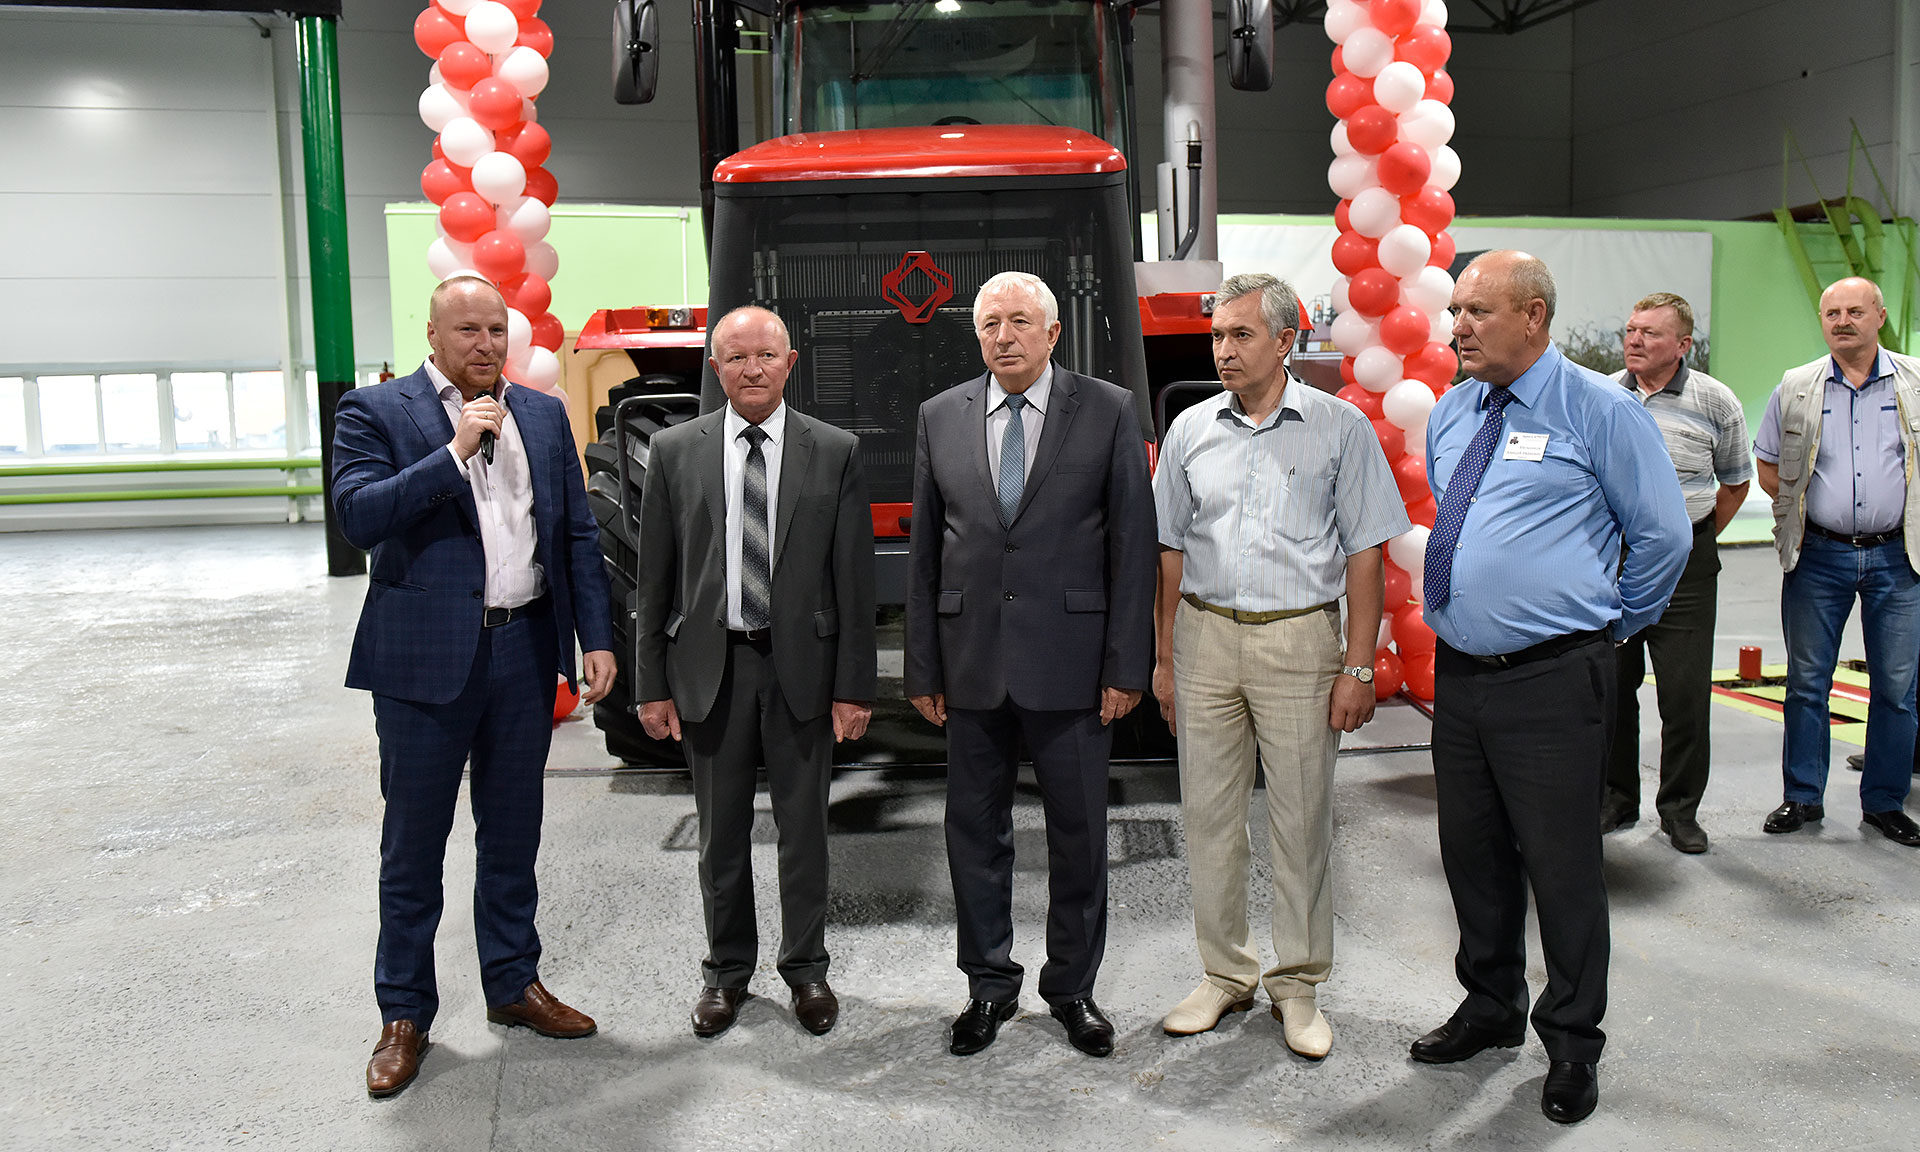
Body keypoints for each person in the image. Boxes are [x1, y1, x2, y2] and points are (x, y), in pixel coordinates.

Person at [1414, 252, 1690, 1125]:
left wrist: (1610, 625)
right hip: (1460, 675)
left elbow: (1664, 537)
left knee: (1562, 867)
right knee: (1473, 854)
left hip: (1553, 676)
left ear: (1534, 315)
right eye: (1455, 311)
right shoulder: (1456, 410)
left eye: (1478, 311)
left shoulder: (1600, 409)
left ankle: (1571, 1040)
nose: (1459, 326)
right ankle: (1490, 1005)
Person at [332, 275, 617, 1099]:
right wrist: (453, 453)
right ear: (433, 335)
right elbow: (359, 517)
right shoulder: (375, 412)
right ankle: (404, 1015)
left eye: (496, 329)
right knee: (413, 847)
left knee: (513, 834)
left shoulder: (542, 414)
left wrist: (595, 637)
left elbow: (574, 533)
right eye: (468, 331)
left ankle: (513, 982)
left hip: (523, 652)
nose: (486, 344)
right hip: (423, 663)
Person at [1150, 273, 1408, 1058]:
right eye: (1217, 337)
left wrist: (1357, 668)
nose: (1223, 351)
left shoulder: (1339, 428)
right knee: (1208, 820)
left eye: (1241, 335)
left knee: (1300, 822)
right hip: (1204, 640)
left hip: (1300, 643)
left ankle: (1297, 985)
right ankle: (1225, 975)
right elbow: (1168, 550)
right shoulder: (1190, 429)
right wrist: (1164, 657)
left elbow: (1366, 553)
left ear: (1287, 340)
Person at [905, 270, 1157, 1058]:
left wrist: (1126, 666)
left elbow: (1132, 547)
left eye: (1019, 321)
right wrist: (923, 669)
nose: (1003, 336)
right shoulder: (940, 415)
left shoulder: (1108, 409)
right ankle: (988, 987)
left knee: (1079, 837)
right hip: (970, 664)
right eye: (990, 323)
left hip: (1073, 664)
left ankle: (1072, 990)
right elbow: (924, 553)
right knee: (973, 836)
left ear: (1053, 333)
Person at [633, 306, 877, 1037]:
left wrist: (854, 686)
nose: (752, 369)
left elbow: (855, 581)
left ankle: (806, 971)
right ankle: (725, 973)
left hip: (804, 669)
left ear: (790, 362)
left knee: (805, 833)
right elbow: (655, 579)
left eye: (766, 355)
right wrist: (651, 684)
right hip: (712, 670)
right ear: (716, 368)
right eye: (736, 357)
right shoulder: (674, 451)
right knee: (720, 836)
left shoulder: (834, 450)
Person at [1752, 276, 1920, 848]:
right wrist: (1803, 513)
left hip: (1898, 557)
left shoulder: (1915, 382)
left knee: (1896, 688)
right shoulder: (1796, 386)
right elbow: (1769, 465)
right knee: (1806, 683)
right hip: (1818, 556)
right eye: (1832, 313)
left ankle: (1885, 803)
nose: (1842, 321)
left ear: (1880, 316)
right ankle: (1803, 795)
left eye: (1854, 311)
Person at [1603, 293, 1752, 854]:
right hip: (1614, 562)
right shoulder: (1605, 395)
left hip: (1688, 566)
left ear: (1683, 344)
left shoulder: (1715, 401)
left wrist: (1686, 536)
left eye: (1650, 333)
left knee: (1685, 696)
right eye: (1631, 329)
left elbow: (1735, 482)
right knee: (1612, 689)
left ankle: (1680, 811)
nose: (1635, 340)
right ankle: (1617, 798)